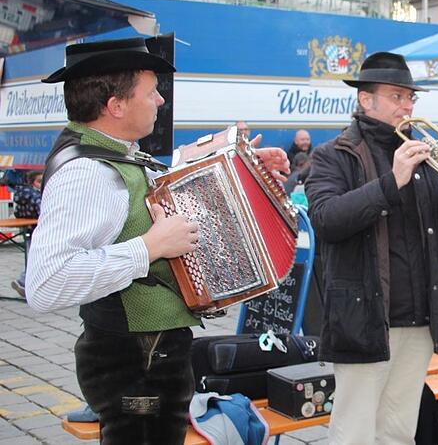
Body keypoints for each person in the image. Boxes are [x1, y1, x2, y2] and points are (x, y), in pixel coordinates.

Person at [24, 37, 290, 443]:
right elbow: (45, 284)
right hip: (136, 361)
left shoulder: (113, 152)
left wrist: (234, 159)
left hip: (147, 355)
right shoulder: (86, 173)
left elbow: (155, 185)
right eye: (151, 93)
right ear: (115, 106)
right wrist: (150, 247)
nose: (160, 102)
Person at [305, 52, 438, 444]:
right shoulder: (333, 155)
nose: (407, 106)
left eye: (411, 98)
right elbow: (327, 220)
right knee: (353, 432)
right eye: (397, 96)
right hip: (365, 319)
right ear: (366, 100)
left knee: (399, 432)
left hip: (420, 318)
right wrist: (391, 182)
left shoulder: (427, 155)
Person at [10, 171, 42, 297]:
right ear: (32, 182)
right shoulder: (36, 196)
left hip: (28, 229)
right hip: (38, 230)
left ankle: (25, 282)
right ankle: (23, 281)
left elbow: (17, 212)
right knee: (36, 258)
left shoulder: (20, 195)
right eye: (39, 181)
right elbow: (42, 211)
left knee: (32, 257)